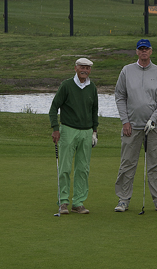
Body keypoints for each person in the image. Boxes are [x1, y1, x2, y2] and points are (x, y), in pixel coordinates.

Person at [114, 39, 157, 213]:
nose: (144, 51)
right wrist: (125, 121)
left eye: (146, 49)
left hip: (155, 127)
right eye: (141, 49)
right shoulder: (127, 70)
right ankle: (123, 200)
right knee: (127, 164)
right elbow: (120, 96)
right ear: (137, 52)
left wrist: (153, 119)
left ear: (151, 51)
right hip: (131, 126)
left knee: (156, 165)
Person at [49, 58, 99, 214]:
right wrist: (55, 128)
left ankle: (78, 202)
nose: (85, 70)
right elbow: (54, 107)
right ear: (76, 68)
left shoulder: (92, 87)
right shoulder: (67, 85)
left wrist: (95, 131)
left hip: (87, 131)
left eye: (87, 68)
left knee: (83, 169)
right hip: (68, 129)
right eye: (82, 67)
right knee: (64, 168)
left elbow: (94, 111)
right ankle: (63, 201)